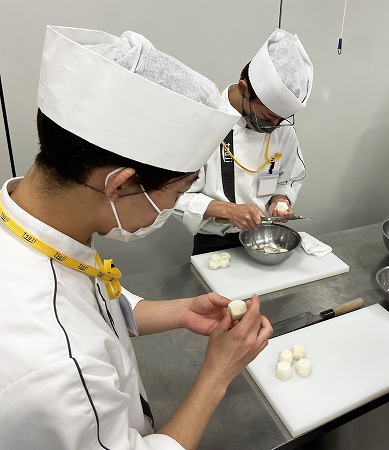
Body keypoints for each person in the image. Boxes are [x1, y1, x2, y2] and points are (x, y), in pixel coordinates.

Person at [0, 26, 272, 449]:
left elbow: (92, 304)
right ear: (120, 184)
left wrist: (182, 311)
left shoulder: (36, 228)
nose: (170, 207)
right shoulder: (56, 369)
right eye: (177, 194)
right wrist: (216, 375)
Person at [175, 28, 313, 255]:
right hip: (215, 243)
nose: (274, 126)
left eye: (281, 119)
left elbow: (289, 178)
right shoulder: (203, 121)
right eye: (268, 117)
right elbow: (173, 196)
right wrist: (228, 211)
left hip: (265, 237)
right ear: (244, 89)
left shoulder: (280, 127)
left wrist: (280, 200)